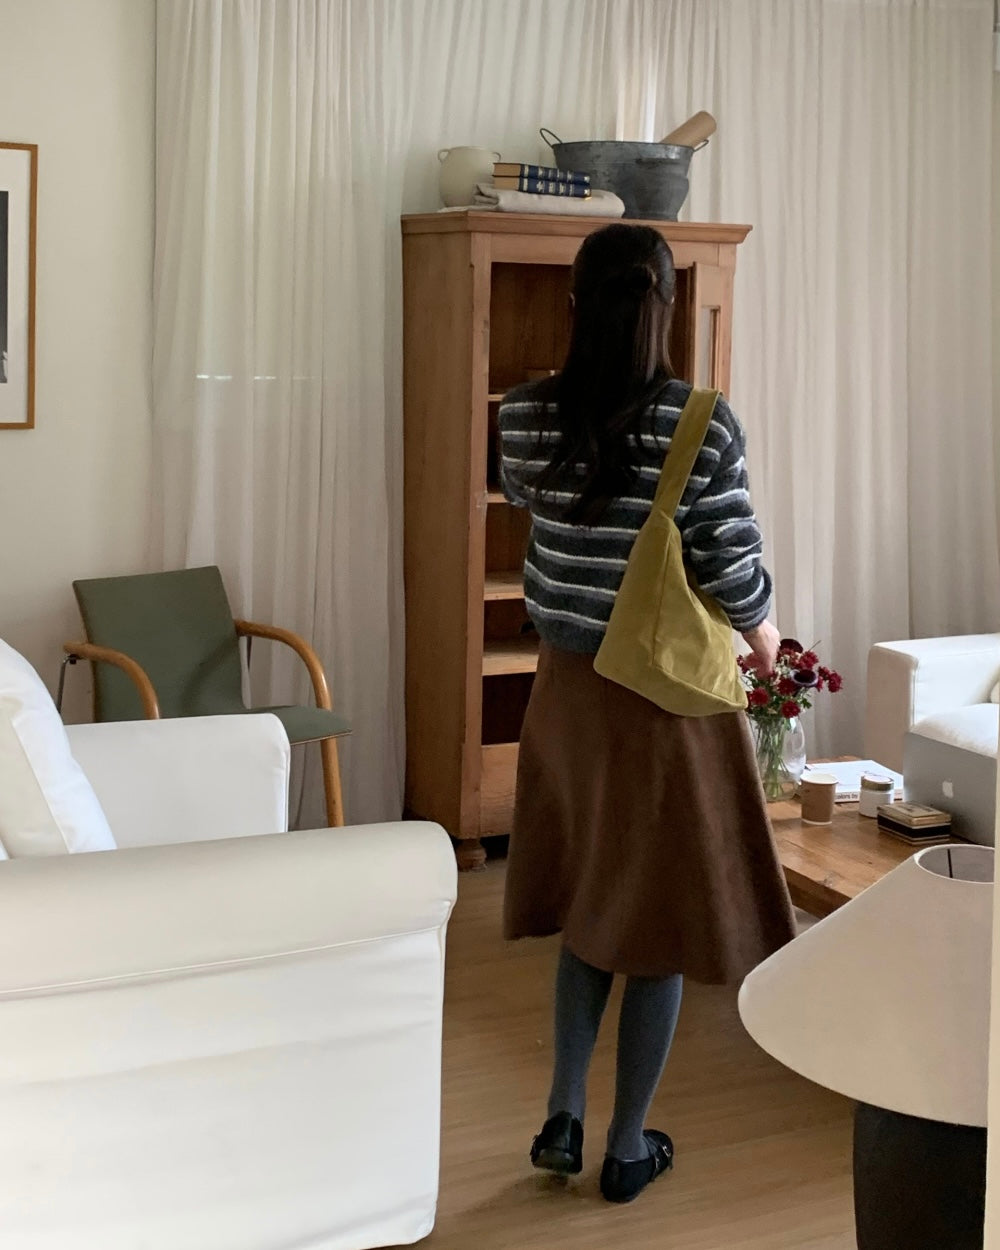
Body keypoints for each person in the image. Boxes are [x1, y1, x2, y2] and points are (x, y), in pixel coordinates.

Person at [499, 223, 797, 1206]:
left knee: (594, 901)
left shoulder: (525, 416)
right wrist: (764, 633)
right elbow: (727, 562)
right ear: (665, 306)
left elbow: (527, 501)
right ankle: (627, 1145)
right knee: (657, 922)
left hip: (564, 694)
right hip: (660, 701)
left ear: (575, 304)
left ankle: (561, 1113)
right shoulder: (700, 423)